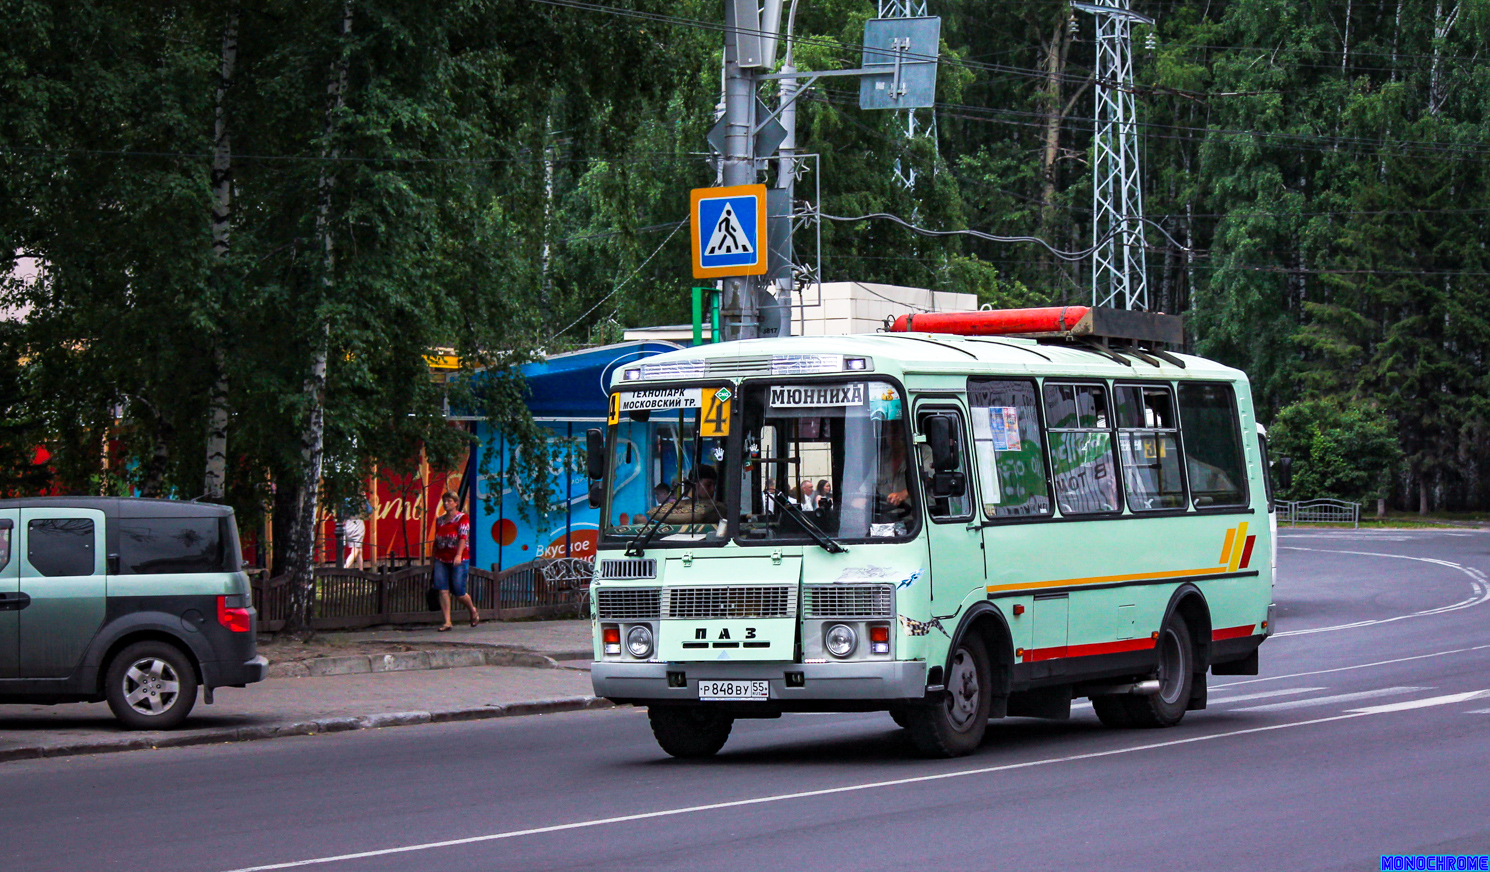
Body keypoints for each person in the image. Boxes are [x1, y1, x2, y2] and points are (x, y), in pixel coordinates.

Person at [432, 492, 479, 630]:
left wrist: (458, 555)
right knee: (442, 589)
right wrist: (432, 559)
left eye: (449, 501)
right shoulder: (440, 520)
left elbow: (463, 537)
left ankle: (472, 610)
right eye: (445, 501)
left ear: (456, 503)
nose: (446, 504)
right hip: (441, 557)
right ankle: (447, 621)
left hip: (458, 557)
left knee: (459, 590)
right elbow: (436, 540)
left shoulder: (462, 518)